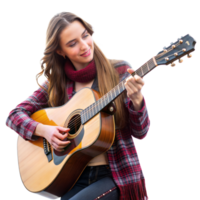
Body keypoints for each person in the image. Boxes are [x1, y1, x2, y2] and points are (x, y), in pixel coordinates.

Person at [4, 11, 152, 200]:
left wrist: (137, 99)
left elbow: (141, 132)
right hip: (75, 178)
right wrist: (44, 131)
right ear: (60, 51)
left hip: (115, 175)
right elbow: (14, 115)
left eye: (85, 36)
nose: (84, 46)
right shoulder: (56, 83)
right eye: (72, 44)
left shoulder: (120, 72)